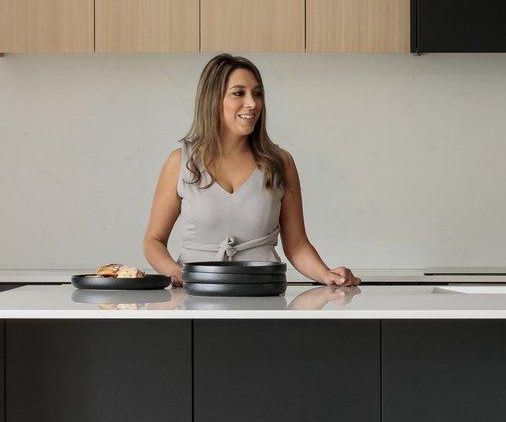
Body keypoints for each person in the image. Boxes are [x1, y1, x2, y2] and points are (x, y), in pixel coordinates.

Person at [142, 53, 358, 288]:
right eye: (239, 93)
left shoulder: (280, 163)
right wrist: (176, 272)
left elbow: (296, 246)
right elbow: (153, 241)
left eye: (257, 93)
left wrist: (326, 275)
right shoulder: (181, 162)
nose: (252, 103)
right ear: (213, 99)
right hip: (195, 296)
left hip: (264, 293)